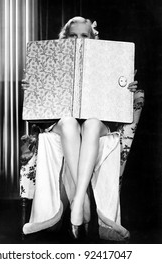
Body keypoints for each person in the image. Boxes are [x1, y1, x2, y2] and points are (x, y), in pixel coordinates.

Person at [21, 16, 138, 241]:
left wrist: (126, 91)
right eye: (73, 36)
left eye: (84, 35)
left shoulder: (108, 60)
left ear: (93, 37)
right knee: (68, 122)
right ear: (64, 38)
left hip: (98, 127)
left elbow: (118, 110)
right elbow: (40, 110)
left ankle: (77, 204)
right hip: (64, 127)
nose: (78, 40)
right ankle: (81, 200)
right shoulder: (51, 62)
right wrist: (32, 88)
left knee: (92, 123)